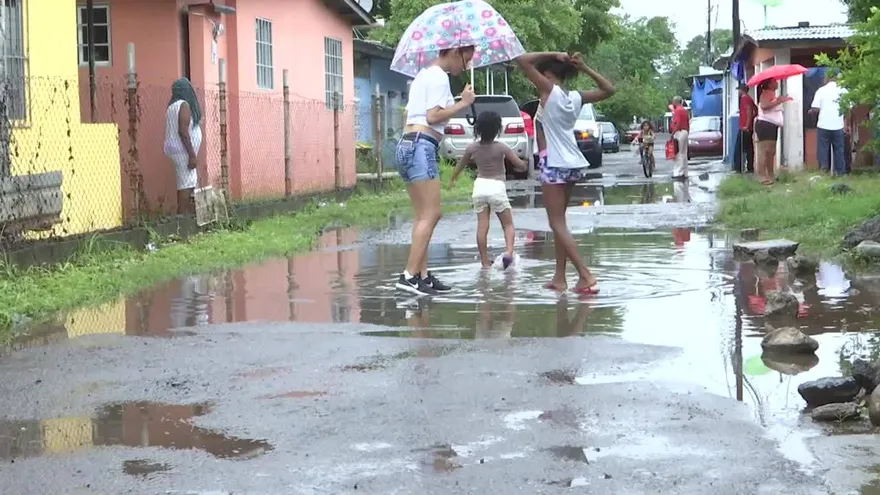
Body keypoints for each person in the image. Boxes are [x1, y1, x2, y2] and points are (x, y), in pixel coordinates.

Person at [517, 51, 615, 294]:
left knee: (556, 222)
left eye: (541, 75)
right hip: (573, 163)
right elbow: (609, 90)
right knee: (560, 223)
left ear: (548, 75)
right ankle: (560, 277)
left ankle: (585, 275)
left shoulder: (550, 91)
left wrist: (553, 53)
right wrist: (584, 68)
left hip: (554, 163)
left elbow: (522, 61)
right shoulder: (575, 97)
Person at [395, 46, 476, 296]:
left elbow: (412, 114)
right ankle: (409, 276)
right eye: (466, 59)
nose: (466, 66)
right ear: (454, 52)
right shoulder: (440, 76)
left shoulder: (423, 75)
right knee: (432, 213)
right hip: (422, 145)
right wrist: (463, 103)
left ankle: (422, 275)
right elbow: (432, 116)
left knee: (422, 215)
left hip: (408, 144)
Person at [449, 111, 526, 269]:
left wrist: (452, 179)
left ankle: (484, 262)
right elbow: (519, 164)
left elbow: (460, 166)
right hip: (496, 186)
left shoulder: (472, 147)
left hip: (479, 186)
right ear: (497, 129)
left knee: (482, 227)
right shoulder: (502, 147)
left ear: (478, 128)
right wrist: (526, 164)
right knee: (508, 224)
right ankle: (509, 253)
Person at [164, 78, 203, 215]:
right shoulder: (184, 105)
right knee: (186, 184)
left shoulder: (172, 106)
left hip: (176, 150)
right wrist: (191, 155)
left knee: (187, 182)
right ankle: (181, 218)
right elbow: (183, 131)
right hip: (183, 151)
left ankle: (187, 215)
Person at [809, 70, 850, 176]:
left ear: (827, 78)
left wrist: (812, 111)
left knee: (823, 150)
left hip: (823, 125)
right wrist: (846, 124)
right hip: (838, 125)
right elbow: (848, 109)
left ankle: (824, 171)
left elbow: (815, 108)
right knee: (839, 150)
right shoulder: (844, 91)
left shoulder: (821, 90)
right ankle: (840, 172)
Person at [755, 79, 793, 185]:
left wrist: (781, 99)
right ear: (769, 84)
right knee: (764, 151)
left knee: (771, 152)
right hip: (765, 125)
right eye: (774, 81)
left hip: (772, 126)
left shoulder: (772, 94)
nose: (777, 83)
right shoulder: (766, 93)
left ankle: (771, 174)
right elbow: (764, 106)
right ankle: (762, 176)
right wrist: (778, 101)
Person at [734, 84, 757, 173]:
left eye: (739, 90)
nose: (738, 92)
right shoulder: (749, 99)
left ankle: (739, 168)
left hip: (744, 127)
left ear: (742, 90)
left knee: (739, 149)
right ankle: (750, 167)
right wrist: (751, 120)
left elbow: (749, 110)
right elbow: (755, 110)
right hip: (748, 127)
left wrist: (747, 125)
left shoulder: (744, 98)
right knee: (748, 148)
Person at [669, 96, 690, 180]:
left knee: (678, 153)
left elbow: (678, 123)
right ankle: (685, 172)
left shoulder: (677, 111)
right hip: (685, 131)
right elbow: (687, 122)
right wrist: (688, 131)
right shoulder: (684, 110)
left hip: (679, 132)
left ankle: (678, 173)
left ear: (675, 102)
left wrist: (673, 133)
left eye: (673, 102)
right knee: (684, 153)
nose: (672, 103)